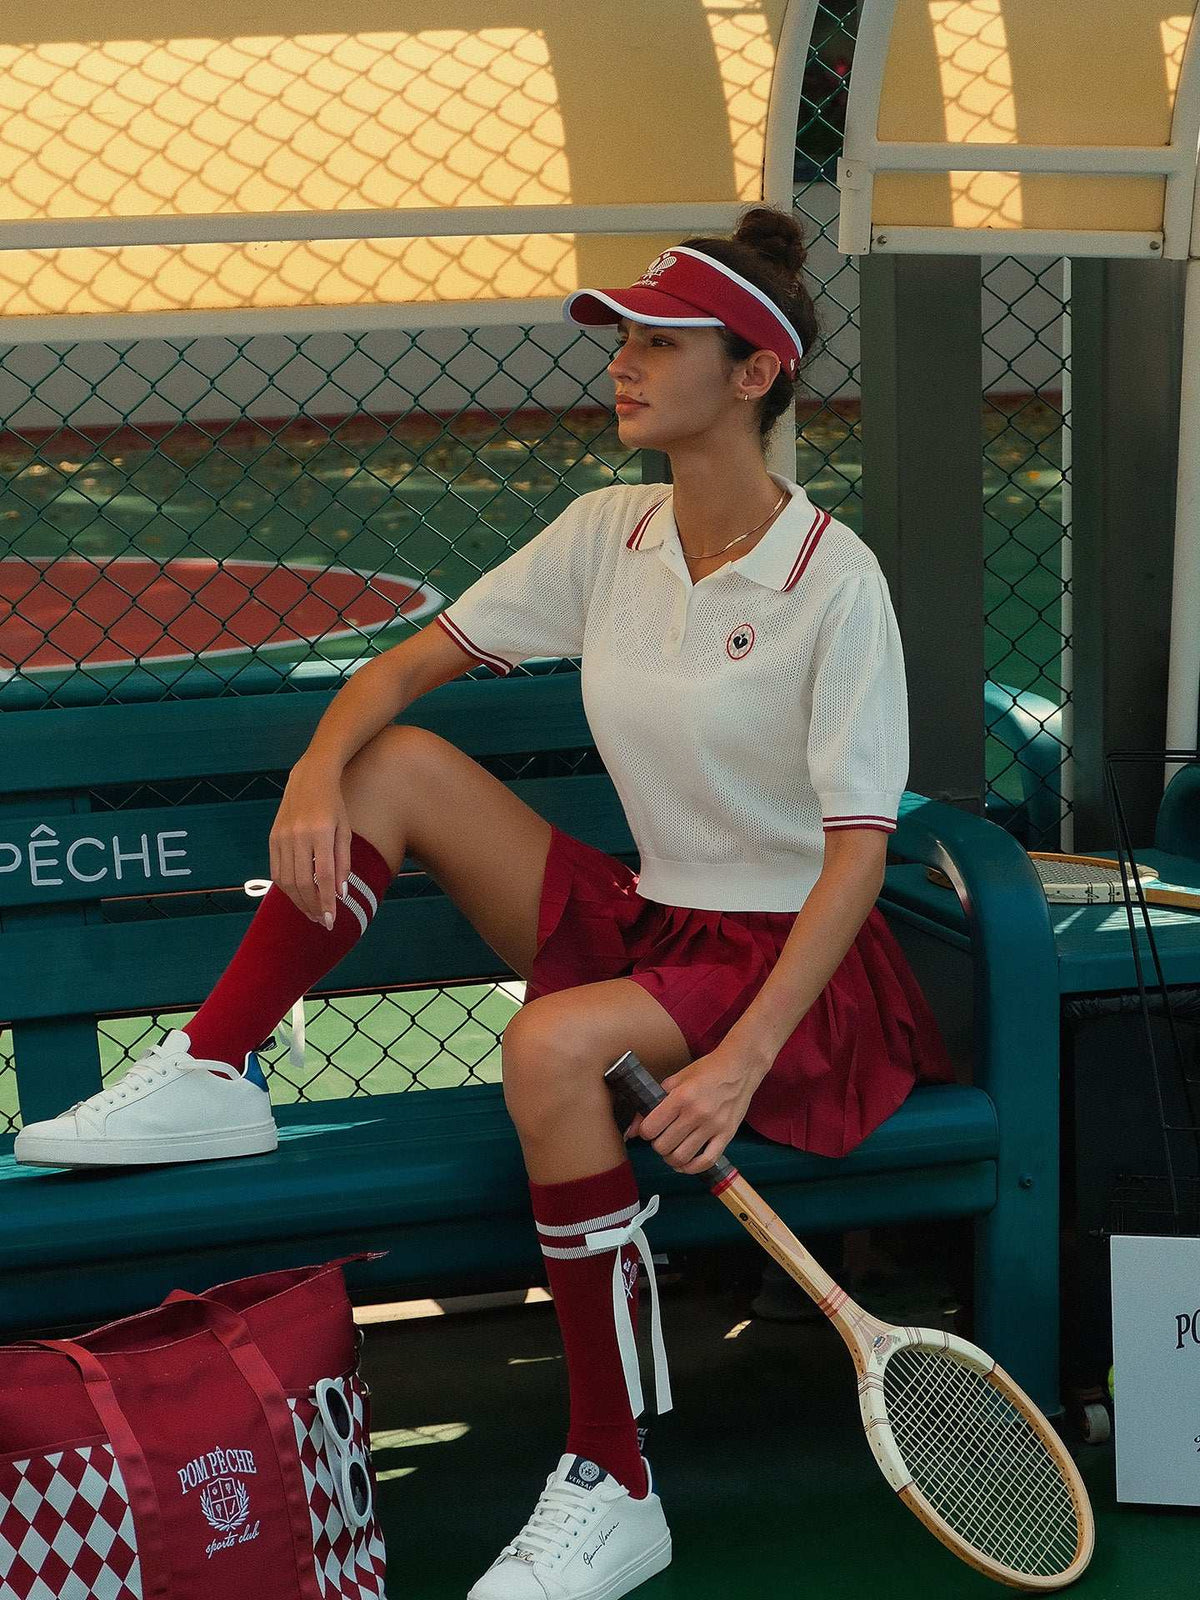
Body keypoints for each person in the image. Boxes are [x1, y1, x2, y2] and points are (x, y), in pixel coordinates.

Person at [14, 204, 955, 1600]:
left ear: (755, 372)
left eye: (659, 343)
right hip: (657, 923)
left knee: (551, 1043)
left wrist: (743, 1060)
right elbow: (403, 670)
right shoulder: (608, 532)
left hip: (790, 977)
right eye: (621, 340)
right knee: (397, 765)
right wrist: (316, 778)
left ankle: (614, 1481)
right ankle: (217, 1068)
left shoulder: (837, 582)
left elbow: (859, 857)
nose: (622, 363)